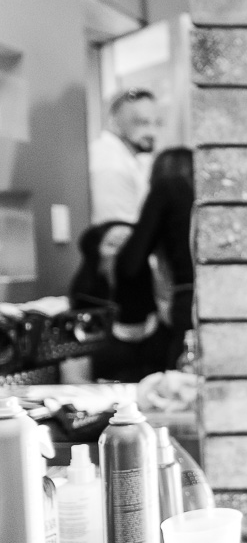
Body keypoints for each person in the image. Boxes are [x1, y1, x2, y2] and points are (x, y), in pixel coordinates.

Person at [116, 147, 195, 369]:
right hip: (226, 299)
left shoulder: (167, 188)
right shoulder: (209, 198)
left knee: (180, 378)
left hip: (189, 300)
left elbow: (131, 263)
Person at [68, 220, 164, 382]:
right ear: (95, 256)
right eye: (113, 245)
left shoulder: (165, 312)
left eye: (131, 247)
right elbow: (73, 380)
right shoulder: (83, 316)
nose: (123, 254)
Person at [89, 88, 158, 225]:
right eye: (142, 122)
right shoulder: (111, 164)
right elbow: (120, 231)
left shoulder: (132, 158)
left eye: (157, 123)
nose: (152, 132)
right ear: (114, 123)